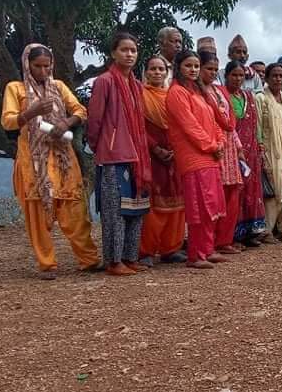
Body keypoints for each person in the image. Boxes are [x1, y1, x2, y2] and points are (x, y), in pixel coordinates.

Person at [1, 44, 100, 279]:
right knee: (37, 213)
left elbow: (80, 110)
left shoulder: (59, 87)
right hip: (34, 161)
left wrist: (66, 123)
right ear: (27, 65)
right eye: (38, 66)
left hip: (62, 156)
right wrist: (31, 112)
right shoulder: (16, 89)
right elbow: (8, 121)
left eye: (47, 66)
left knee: (74, 207)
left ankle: (88, 259)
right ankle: (48, 264)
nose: (43, 71)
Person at [87, 32, 153, 276]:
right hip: (113, 155)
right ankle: (113, 261)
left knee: (136, 208)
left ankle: (129, 256)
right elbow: (94, 119)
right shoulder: (105, 81)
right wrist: (99, 145)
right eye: (124, 50)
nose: (129, 54)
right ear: (113, 52)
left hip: (137, 155)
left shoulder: (136, 85)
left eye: (133, 50)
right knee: (115, 211)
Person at [165, 50, 228, 269]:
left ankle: (208, 249)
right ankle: (196, 254)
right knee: (198, 207)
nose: (192, 70)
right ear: (179, 67)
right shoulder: (176, 93)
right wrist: (212, 146)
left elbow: (214, 122)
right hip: (193, 156)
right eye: (188, 66)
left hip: (209, 155)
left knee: (211, 205)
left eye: (195, 66)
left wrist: (219, 143)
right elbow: (189, 126)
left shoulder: (199, 92)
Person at [138, 56, 187, 267]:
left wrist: (176, 148)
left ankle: (171, 248)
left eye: (161, 69)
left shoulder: (172, 96)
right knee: (154, 205)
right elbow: (138, 125)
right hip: (151, 155)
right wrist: (155, 148)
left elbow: (181, 124)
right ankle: (147, 250)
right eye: (153, 69)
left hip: (175, 154)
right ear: (146, 72)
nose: (157, 73)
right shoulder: (140, 95)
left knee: (177, 202)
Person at [200, 50, 244, 254]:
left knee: (232, 195)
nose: (212, 73)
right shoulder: (198, 92)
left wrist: (238, 146)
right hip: (213, 147)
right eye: (208, 69)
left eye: (215, 70)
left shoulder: (219, 90)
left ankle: (225, 240)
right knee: (214, 197)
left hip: (229, 147)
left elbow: (230, 122)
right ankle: (210, 243)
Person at [223, 61, 267, 245]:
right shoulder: (222, 95)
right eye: (234, 75)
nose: (238, 79)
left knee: (251, 189)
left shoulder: (248, 96)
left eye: (241, 75)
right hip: (231, 150)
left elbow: (255, 124)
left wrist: (259, 145)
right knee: (235, 191)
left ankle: (250, 232)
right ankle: (232, 234)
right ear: (226, 76)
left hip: (251, 150)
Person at [255, 63, 282, 243]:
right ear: (266, 78)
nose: (278, 79)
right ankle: (266, 230)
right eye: (274, 76)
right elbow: (257, 126)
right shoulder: (260, 98)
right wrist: (260, 149)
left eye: (281, 76)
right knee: (274, 188)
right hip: (270, 149)